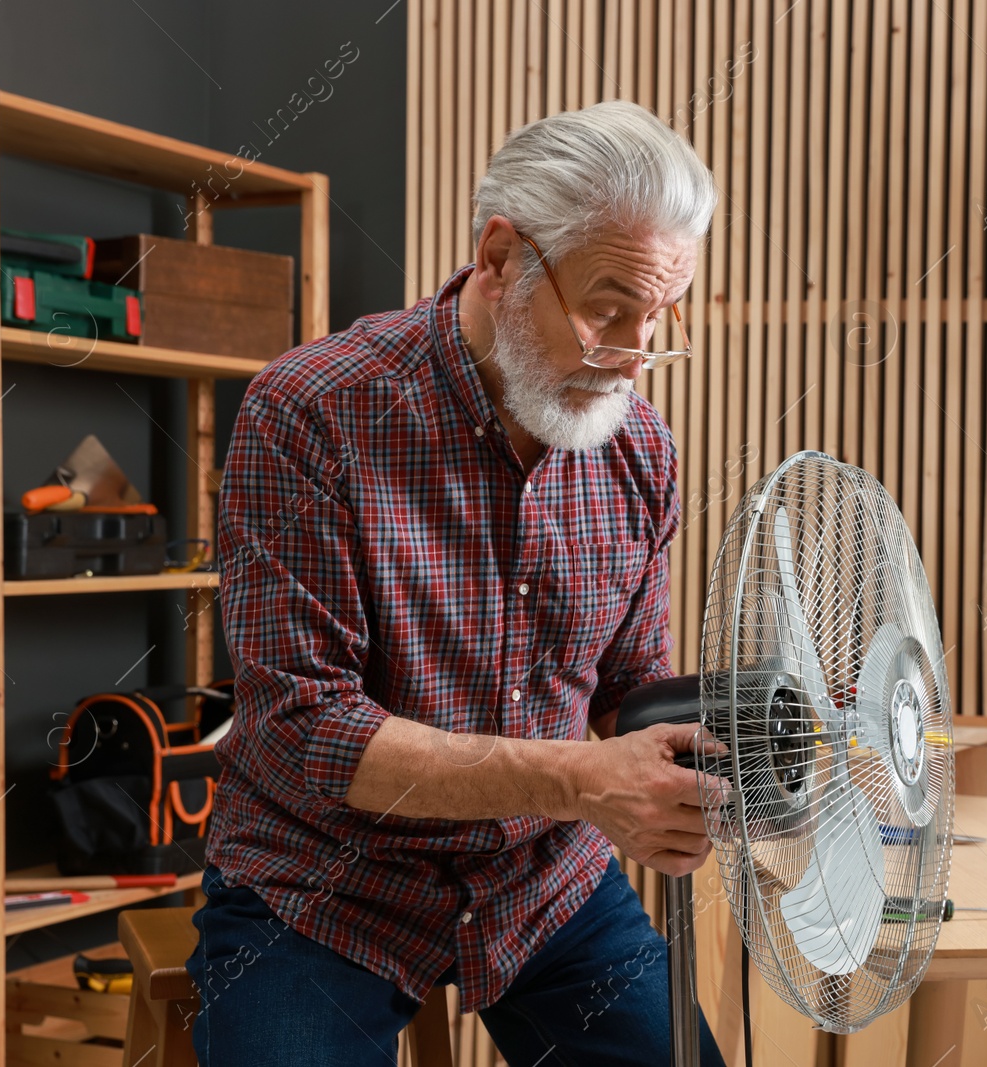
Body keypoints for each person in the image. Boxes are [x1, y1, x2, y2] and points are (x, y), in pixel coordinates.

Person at [185, 99, 729, 1067]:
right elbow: (307, 727)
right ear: (498, 255)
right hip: (322, 883)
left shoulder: (639, 448)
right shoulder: (310, 411)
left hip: (542, 879)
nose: (636, 353)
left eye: (660, 315)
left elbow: (629, 690)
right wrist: (581, 778)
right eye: (608, 307)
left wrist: (722, 754)